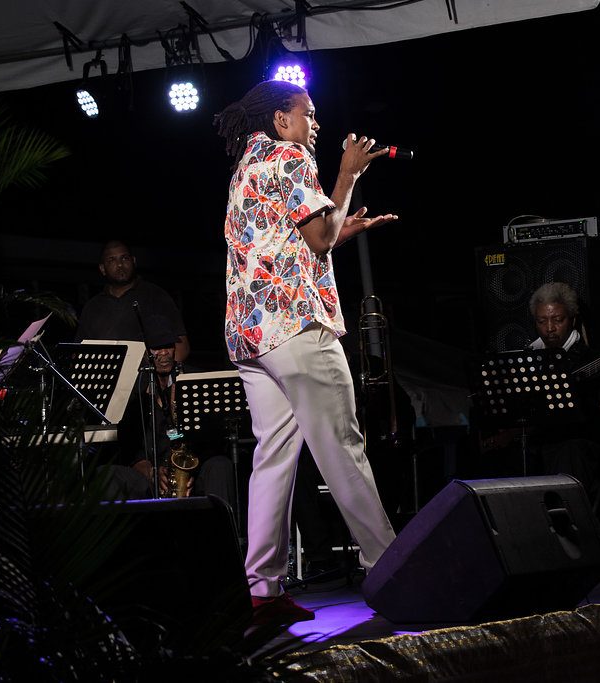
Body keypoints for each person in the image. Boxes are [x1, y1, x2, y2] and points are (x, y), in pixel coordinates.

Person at [213, 79, 399, 626]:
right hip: (296, 327)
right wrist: (348, 176)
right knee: (342, 446)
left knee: (273, 456)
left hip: (251, 336)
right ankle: (392, 569)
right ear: (281, 119)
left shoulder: (246, 167)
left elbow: (292, 241)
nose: (315, 124)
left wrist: (343, 228)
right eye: (307, 114)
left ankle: (262, 590)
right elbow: (317, 238)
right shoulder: (290, 156)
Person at [99, 314, 235, 503]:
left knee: (220, 465)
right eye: (156, 348)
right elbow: (129, 446)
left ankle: (222, 522)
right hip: (151, 473)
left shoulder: (193, 381)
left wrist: (190, 469)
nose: (164, 353)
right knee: (107, 474)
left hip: (192, 468)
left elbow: (213, 437)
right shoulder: (133, 389)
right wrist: (148, 469)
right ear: (145, 353)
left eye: (168, 346)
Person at [526, 282, 600, 501]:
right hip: (539, 448)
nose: (549, 328)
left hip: (577, 451)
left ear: (572, 320)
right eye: (542, 321)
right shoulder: (527, 358)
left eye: (558, 320)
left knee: (570, 450)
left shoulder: (591, 360)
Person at [75, 240, 190, 366]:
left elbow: (181, 346)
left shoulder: (156, 296)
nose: (120, 264)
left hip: (147, 376)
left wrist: (164, 373)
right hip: (106, 376)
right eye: (112, 260)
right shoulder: (92, 307)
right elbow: (79, 352)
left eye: (124, 258)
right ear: (102, 268)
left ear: (134, 261)